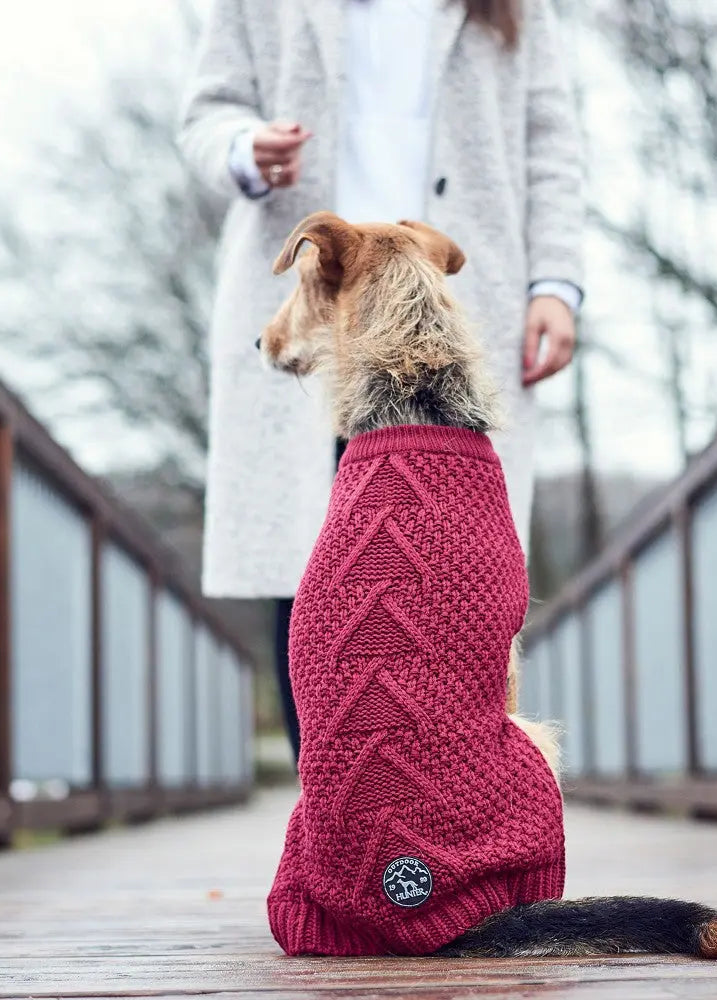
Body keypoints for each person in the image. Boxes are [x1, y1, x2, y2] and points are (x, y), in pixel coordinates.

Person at [178, 0, 584, 764]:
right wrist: (243, 147)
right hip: (316, 307)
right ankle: (334, 820)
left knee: (456, 574)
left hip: (454, 300)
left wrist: (557, 283)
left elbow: (552, 144)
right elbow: (207, 110)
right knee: (312, 572)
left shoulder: (512, 9)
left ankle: (452, 817)